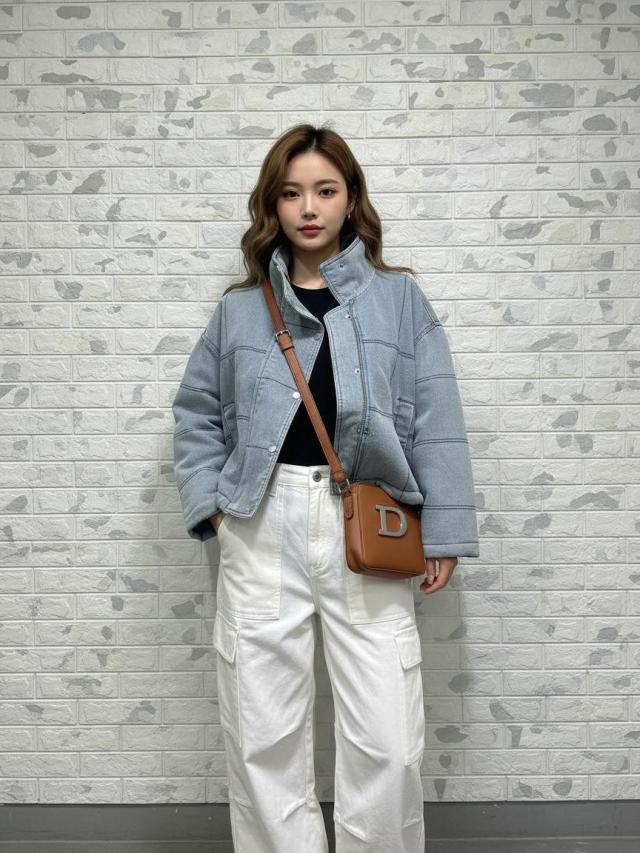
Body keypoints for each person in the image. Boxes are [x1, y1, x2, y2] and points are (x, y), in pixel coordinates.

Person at [172, 123, 479, 853]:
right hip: (261, 520)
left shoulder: (400, 301)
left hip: (370, 523)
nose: (308, 208)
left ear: (350, 199)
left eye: (325, 190)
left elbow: (437, 417)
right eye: (291, 193)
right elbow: (196, 412)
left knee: (388, 737)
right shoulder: (239, 309)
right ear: (272, 205)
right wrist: (215, 511)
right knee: (262, 732)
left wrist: (444, 532)